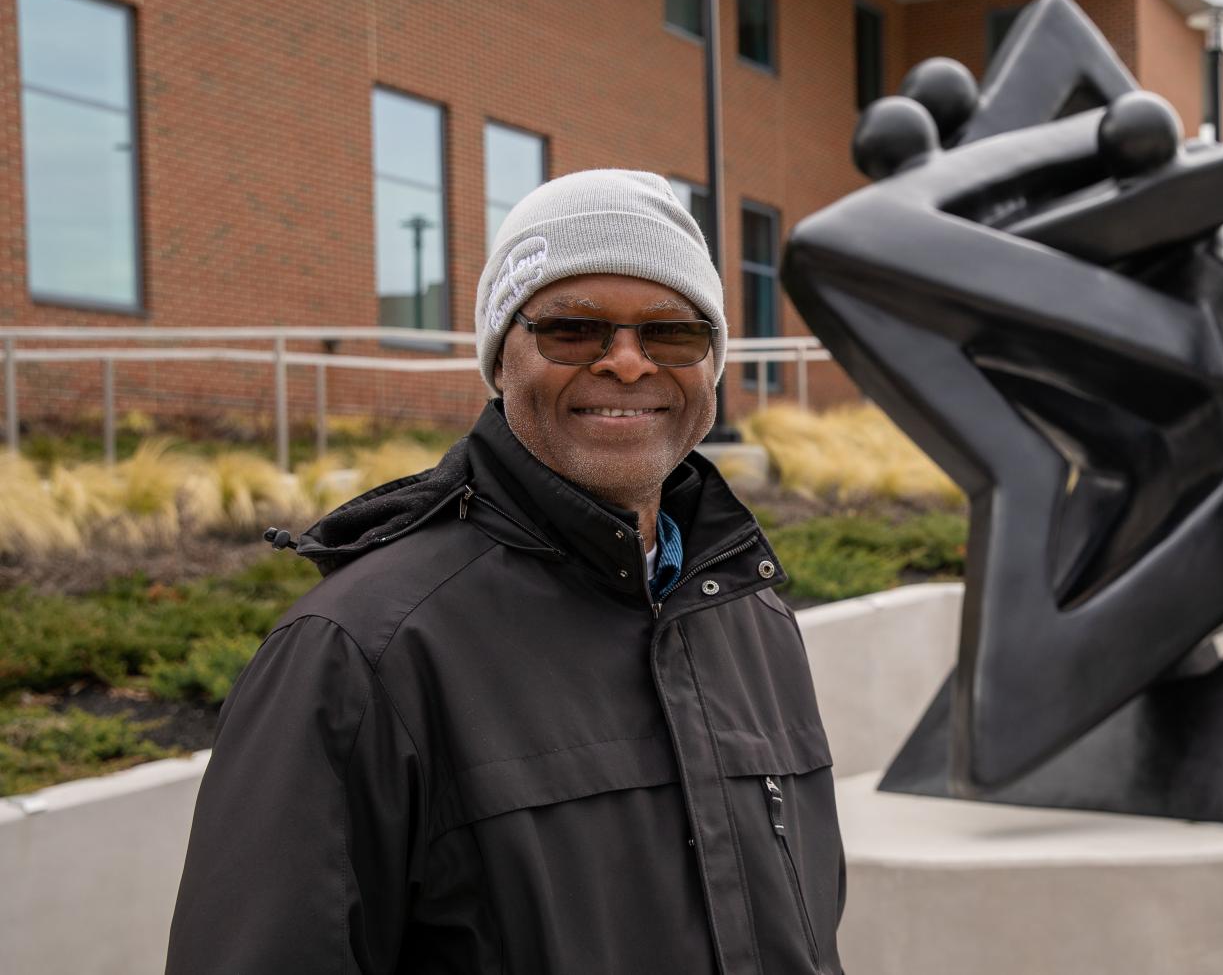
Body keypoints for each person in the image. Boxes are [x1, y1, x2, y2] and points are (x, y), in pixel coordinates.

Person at [166, 170, 847, 974]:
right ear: (499, 358)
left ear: (712, 362)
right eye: (572, 329)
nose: (628, 363)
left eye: (671, 332)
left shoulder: (754, 620)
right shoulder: (359, 655)